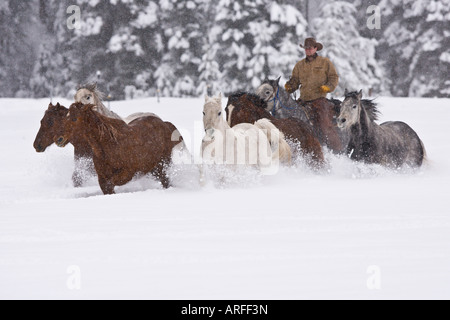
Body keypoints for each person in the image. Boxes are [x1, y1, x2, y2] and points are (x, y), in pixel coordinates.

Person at [284, 37, 339, 102]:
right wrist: (289, 87)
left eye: (310, 48)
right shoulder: (299, 65)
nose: (308, 50)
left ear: (315, 49)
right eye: (306, 49)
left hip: (320, 102)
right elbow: (295, 80)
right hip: (303, 101)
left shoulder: (325, 62)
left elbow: (333, 77)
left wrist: (328, 87)